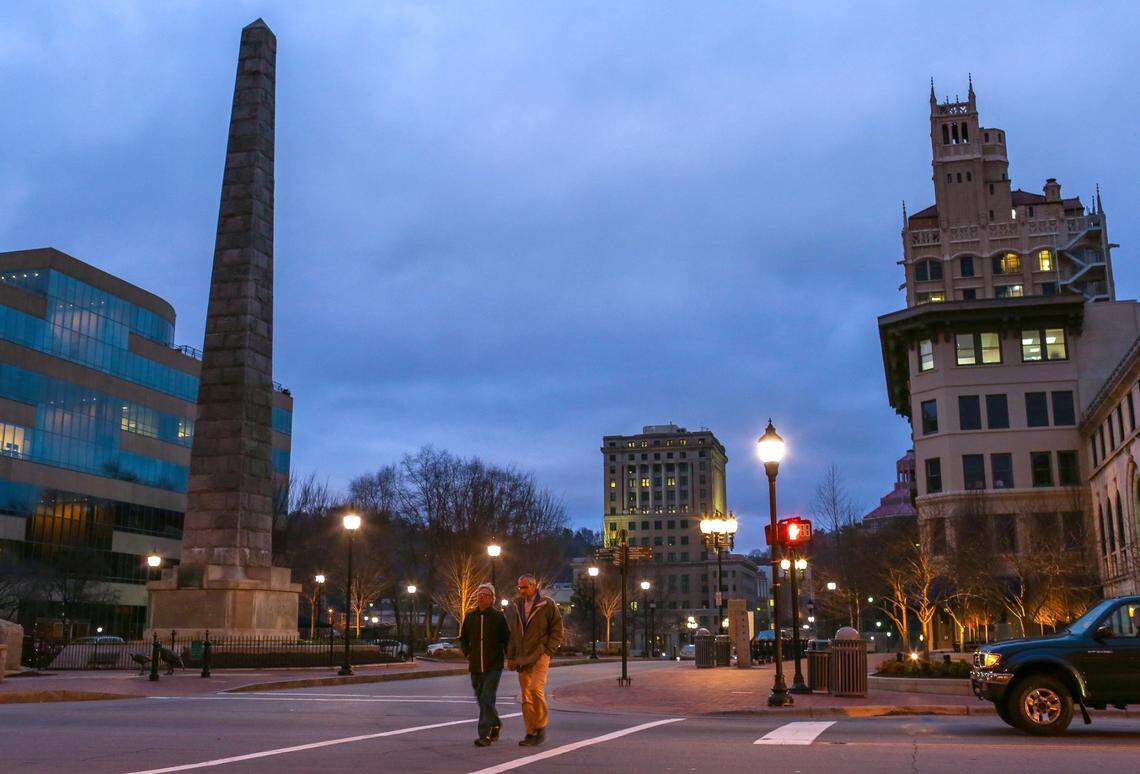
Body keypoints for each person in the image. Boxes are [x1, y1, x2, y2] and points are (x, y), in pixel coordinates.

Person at [506, 573, 564, 747]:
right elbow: (514, 632)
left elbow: (557, 629)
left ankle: (540, 726)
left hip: (540, 655)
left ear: (533, 586)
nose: (522, 591)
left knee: (535, 689)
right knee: (526, 696)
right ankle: (530, 732)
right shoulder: (517, 605)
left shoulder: (547, 604)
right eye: (520, 587)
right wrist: (511, 656)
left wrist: (548, 651)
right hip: (522, 657)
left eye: (524, 587)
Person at [459, 582, 510, 747]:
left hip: (493, 665)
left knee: (487, 696)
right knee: (482, 698)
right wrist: (468, 652)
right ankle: (496, 723)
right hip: (475, 665)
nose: (481, 598)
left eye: (485, 595)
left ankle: (484, 735)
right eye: (479, 595)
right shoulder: (470, 616)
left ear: (492, 599)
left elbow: (506, 639)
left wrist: (511, 658)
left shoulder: (498, 617)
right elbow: (463, 637)